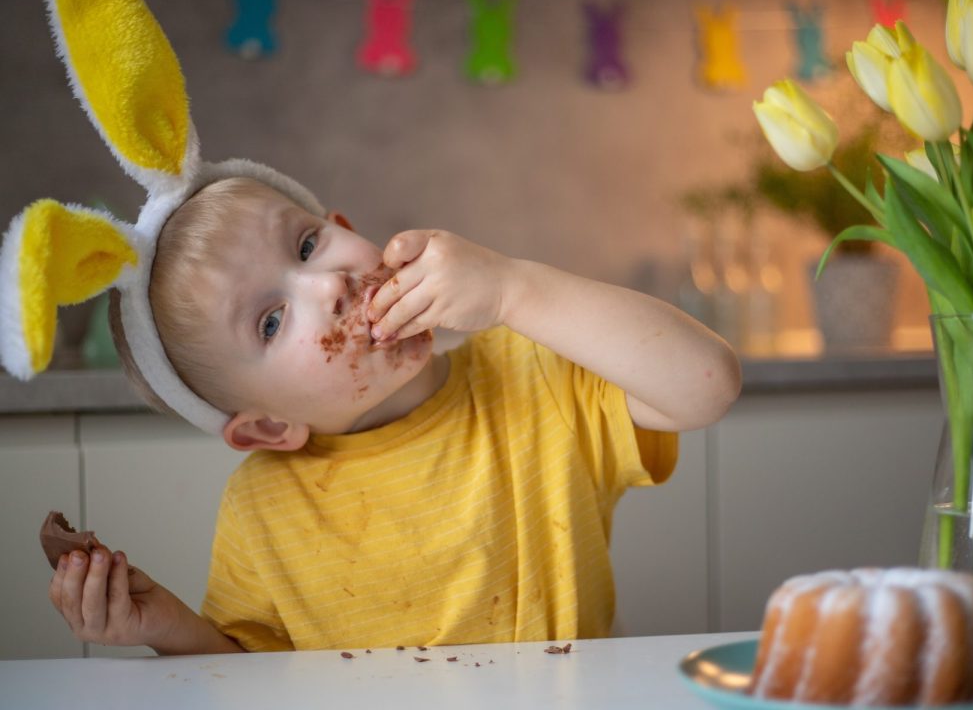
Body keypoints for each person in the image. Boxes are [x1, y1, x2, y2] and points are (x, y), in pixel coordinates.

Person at [46, 176, 741, 655]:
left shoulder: (535, 372)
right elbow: (250, 668)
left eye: (308, 244)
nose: (328, 285)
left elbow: (708, 383)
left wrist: (513, 288)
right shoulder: (263, 509)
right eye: (270, 322)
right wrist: (163, 626)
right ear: (265, 428)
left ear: (347, 229)